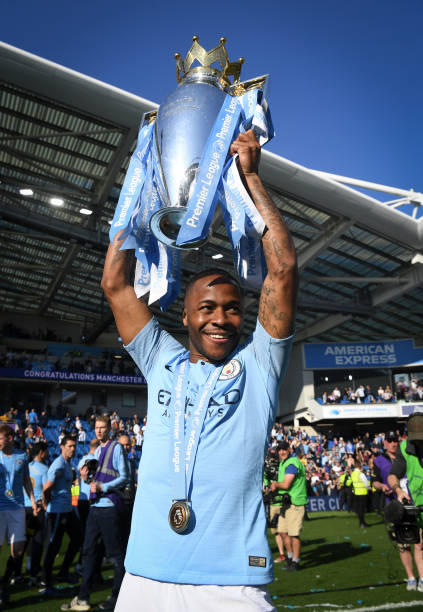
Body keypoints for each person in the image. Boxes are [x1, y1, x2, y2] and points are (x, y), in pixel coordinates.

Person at [98, 129, 297, 611]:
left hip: (231, 583)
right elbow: (116, 285)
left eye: (232, 309)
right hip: (146, 576)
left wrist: (249, 177)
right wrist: (144, 184)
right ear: (184, 316)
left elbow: (284, 269)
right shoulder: (160, 359)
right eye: (206, 307)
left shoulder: (259, 365)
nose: (220, 318)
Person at [62, 416, 129, 611]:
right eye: (97, 428)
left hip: (109, 506)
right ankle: (83, 598)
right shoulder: (97, 450)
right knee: (88, 552)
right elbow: (94, 482)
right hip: (95, 507)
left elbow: (125, 477)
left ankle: (118, 598)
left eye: (103, 428)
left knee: (115, 555)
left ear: (110, 429)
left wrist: (102, 486)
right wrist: (86, 477)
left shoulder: (116, 448)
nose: (99, 431)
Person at [0, 424, 38, 606]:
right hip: (0, 509)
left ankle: (4, 583)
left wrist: (32, 500)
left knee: (18, 550)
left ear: (9, 438)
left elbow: (25, 481)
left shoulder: (21, 456)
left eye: (0, 438)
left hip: (17, 508)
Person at [42, 435, 82, 594]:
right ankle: (45, 582)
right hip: (57, 512)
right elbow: (46, 488)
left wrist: (74, 502)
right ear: (62, 447)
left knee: (78, 538)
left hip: (68, 510)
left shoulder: (68, 464)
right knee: (53, 546)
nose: (73, 449)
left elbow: (72, 487)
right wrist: (45, 506)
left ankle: (63, 572)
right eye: (70, 446)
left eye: (74, 446)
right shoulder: (58, 465)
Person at [388, 414, 423, 592]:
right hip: (413, 506)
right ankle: (413, 578)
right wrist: (398, 490)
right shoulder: (405, 448)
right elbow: (393, 474)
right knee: (410, 543)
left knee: (420, 544)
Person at [270, 441, 307, 571]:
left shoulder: (292, 463)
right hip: (285, 504)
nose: (281, 452)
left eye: (284, 449)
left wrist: (274, 485)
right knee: (282, 532)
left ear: (289, 449)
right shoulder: (283, 463)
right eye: (279, 450)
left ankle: (295, 562)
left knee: (293, 534)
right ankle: (290, 557)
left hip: (295, 503)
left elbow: (286, 484)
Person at [351, 460, 370, 528]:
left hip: (356, 493)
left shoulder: (352, 474)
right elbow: (366, 483)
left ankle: (361, 522)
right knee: (362, 509)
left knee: (359, 509)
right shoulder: (361, 474)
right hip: (363, 493)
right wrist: (369, 489)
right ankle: (362, 523)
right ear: (360, 466)